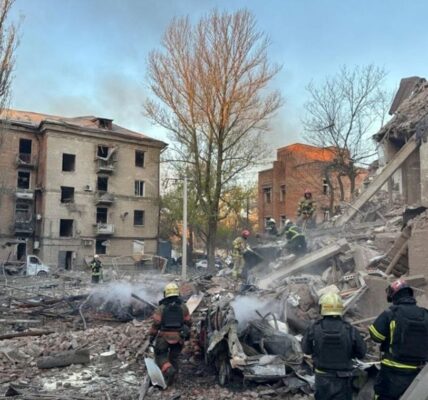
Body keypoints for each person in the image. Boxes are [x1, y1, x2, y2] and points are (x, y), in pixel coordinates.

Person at [369, 278, 428, 400]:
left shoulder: (391, 313)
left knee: (383, 396)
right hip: (417, 373)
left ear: (394, 296)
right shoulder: (425, 314)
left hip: (391, 372)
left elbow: (375, 335)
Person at [302, 292, 366, 400]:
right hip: (343, 379)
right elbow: (361, 353)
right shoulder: (350, 330)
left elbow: (306, 350)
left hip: (322, 379)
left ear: (322, 308)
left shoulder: (314, 328)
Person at [149, 282, 192, 385]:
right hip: (179, 337)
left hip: (164, 336)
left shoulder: (161, 308)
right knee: (174, 357)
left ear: (166, 294)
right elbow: (189, 322)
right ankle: (174, 377)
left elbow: (156, 324)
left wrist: (152, 336)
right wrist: (186, 333)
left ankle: (169, 370)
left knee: (160, 355)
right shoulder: (183, 307)